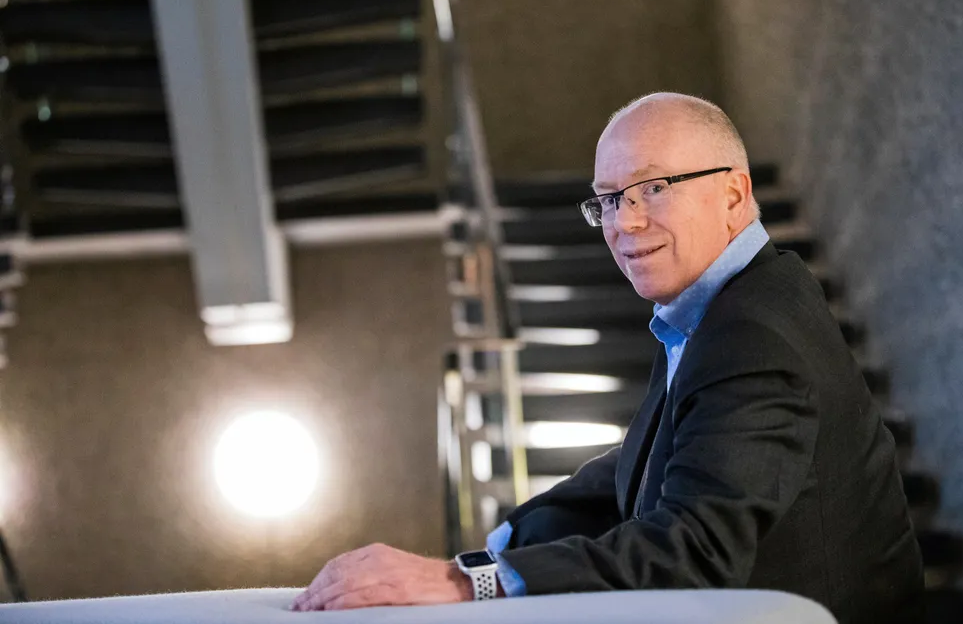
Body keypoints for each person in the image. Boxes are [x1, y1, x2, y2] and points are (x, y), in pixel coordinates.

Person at [290, 93, 925, 623]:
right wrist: (507, 541)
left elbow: (694, 553)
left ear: (734, 196)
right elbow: (670, 448)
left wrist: (469, 582)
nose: (624, 223)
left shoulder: (751, 335)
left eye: (654, 188)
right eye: (610, 199)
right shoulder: (744, 291)